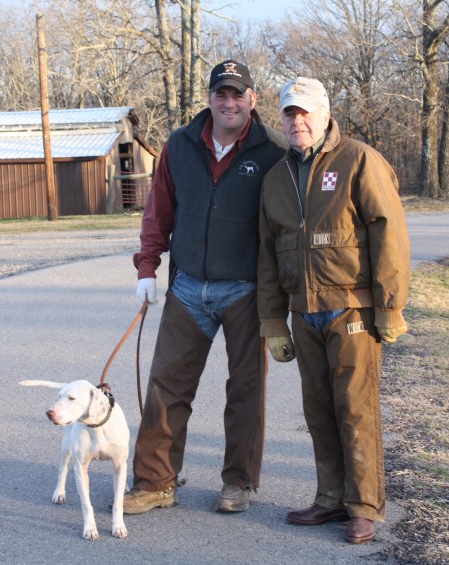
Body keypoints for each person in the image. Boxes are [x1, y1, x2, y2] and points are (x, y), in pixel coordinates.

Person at [126, 60, 287, 515]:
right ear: (210, 98)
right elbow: (159, 210)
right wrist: (147, 267)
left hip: (246, 289)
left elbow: (286, 223)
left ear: (252, 99)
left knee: (246, 389)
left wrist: (284, 290)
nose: (229, 103)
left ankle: (238, 482)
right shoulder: (180, 145)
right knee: (166, 385)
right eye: (221, 94)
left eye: (238, 94)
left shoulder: (274, 151)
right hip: (188, 286)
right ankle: (155, 482)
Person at [257, 77, 410, 544]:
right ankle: (330, 497)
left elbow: (389, 233)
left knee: (355, 408)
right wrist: (273, 320)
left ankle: (363, 505)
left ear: (325, 114)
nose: (297, 121)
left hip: (353, 308)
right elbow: (267, 253)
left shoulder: (359, 160)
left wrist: (390, 304)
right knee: (319, 408)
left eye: (305, 112)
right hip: (303, 312)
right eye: (290, 113)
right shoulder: (275, 178)